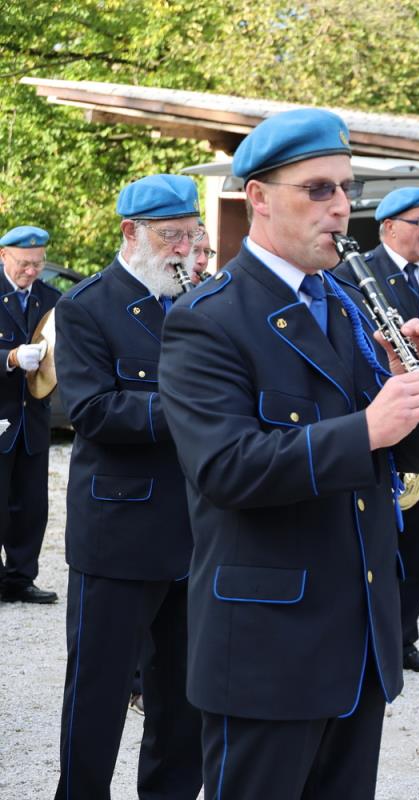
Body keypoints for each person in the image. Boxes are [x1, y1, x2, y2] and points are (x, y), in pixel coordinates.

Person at [158, 108, 419, 798]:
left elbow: (398, 457)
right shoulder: (208, 319)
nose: (341, 207)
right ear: (258, 197)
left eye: (347, 189)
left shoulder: (348, 303)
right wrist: (368, 428)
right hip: (267, 649)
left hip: (357, 639)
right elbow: (225, 469)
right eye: (318, 189)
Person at [52, 175, 204, 799]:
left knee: (184, 697)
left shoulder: (202, 301)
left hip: (198, 530)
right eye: (171, 236)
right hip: (120, 533)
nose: (184, 249)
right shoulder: (86, 305)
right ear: (130, 233)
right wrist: (197, 410)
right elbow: (92, 411)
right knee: (100, 690)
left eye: (192, 235)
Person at [335, 185, 419, 674]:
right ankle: (372, 635)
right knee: (384, 542)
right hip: (382, 415)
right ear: (388, 228)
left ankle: (404, 637)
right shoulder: (355, 275)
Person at [0, 225, 58, 604]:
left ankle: (20, 578)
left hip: (33, 418)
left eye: (38, 263)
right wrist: (9, 357)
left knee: (31, 505)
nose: (32, 271)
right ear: (3, 256)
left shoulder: (50, 299)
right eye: (24, 263)